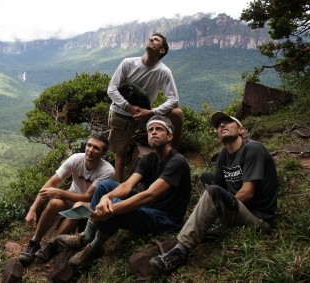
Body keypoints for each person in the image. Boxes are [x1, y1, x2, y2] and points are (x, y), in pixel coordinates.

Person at [150, 111, 278, 273]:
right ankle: (208, 222)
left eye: (227, 122)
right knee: (206, 177)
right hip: (238, 210)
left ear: (241, 130)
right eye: (218, 125)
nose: (222, 125)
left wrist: (217, 209)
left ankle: (180, 251)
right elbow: (216, 183)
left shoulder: (253, 149)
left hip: (258, 219)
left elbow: (247, 193)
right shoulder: (224, 155)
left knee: (214, 192)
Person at [57, 115, 192, 266]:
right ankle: (86, 236)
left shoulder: (177, 162)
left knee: (113, 207)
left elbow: (149, 195)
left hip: (166, 218)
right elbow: (127, 185)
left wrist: (112, 208)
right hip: (148, 209)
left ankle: (94, 248)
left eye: (159, 129)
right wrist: (105, 197)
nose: (153, 132)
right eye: (150, 129)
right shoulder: (149, 159)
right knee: (105, 185)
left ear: (169, 136)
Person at [18, 134, 115, 266]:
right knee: (54, 203)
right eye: (89, 145)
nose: (90, 150)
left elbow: (87, 196)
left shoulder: (107, 170)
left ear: (103, 153)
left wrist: (58, 191)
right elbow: (51, 182)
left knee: (79, 206)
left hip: (92, 203)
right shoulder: (76, 159)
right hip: (72, 195)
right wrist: (33, 209)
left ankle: (53, 244)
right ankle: (35, 241)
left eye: (96, 148)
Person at [107, 32, 184, 182]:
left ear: (162, 50)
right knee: (120, 154)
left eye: (155, 40)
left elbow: (174, 99)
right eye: (150, 38)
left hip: (145, 115)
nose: (150, 40)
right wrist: (128, 107)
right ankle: (118, 189)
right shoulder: (128, 63)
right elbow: (111, 89)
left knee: (177, 113)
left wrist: (150, 112)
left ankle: (172, 154)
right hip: (121, 113)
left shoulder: (163, 71)